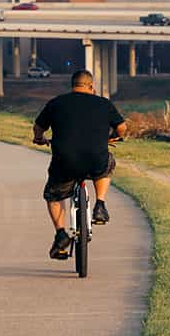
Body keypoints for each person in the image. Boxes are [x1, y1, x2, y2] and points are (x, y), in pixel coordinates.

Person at [33, 70, 127, 259]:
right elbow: (122, 127)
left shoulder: (56, 103)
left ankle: (60, 235)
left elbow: (38, 127)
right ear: (91, 86)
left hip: (65, 162)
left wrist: (39, 139)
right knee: (107, 163)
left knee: (53, 194)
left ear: (73, 85)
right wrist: (114, 137)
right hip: (95, 159)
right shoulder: (103, 103)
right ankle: (100, 205)